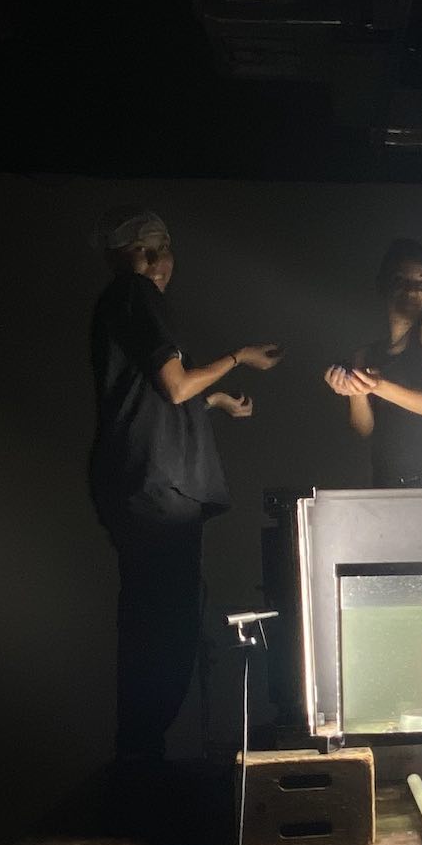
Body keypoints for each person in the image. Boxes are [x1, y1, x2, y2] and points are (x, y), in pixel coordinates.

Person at [85, 205, 279, 766]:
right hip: (155, 491)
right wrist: (239, 357)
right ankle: (143, 764)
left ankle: (141, 760)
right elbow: (173, 386)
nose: (165, 262)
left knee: (155, 623)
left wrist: (214, 400)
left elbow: (154, 395)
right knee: (165, 631)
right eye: (158, 249)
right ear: (141, 254)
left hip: (142, 485)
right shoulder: (135, 294)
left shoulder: (119, 302)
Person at [323, 239, 422, 488]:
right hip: (388, 486)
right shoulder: (365, 354)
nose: (412, 290)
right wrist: (354, 389)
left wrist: (377, 385)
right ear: (383, 284)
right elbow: (364, 429)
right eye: (402, 280)